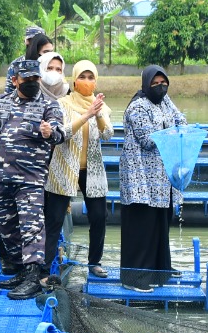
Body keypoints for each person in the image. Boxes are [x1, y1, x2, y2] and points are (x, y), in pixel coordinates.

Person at [0, 59, 67, 299]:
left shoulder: (49, 105)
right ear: (15, 80)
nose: (33, 83)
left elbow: (59, 133)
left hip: (31, 179)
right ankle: (20, 270)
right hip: (3, 178)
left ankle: (34, 276)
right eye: (27, 80)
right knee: (8, 229)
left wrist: (50, 132)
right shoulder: (0, 102)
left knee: (31, 228)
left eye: (36, 79)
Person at [119, 65, 187, 292]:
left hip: (162, 178)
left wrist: (176, 129)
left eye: (163, 82)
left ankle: (160, 270)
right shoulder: (137, 107)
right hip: (140, 180)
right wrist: (172, 132)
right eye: (155, 83)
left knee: (160, 224)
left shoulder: (166, 102)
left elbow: (182, 121)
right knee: (142, 227)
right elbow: (148, 139)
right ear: (146, 84)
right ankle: (135, 278)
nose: (160, 87)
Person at [43, 60, 112, 276]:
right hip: (64, 167)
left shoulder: (102, 107)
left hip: (92, 170)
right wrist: (87, 115)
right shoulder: (62, 104)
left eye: (91, 77)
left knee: (99, 217)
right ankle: (45, 268)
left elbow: (108, 135)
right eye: (82, 77)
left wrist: (98, 113)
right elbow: (62, 133)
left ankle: (94, 263)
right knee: (54, 219)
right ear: (74, 81)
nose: (87, 81)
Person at [2, 24, 45, 94]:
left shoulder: (51, 63)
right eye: (30, 40)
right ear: (25, 41)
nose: (33, 43)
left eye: (36, 40)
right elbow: (9, 91)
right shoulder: (16, 64)